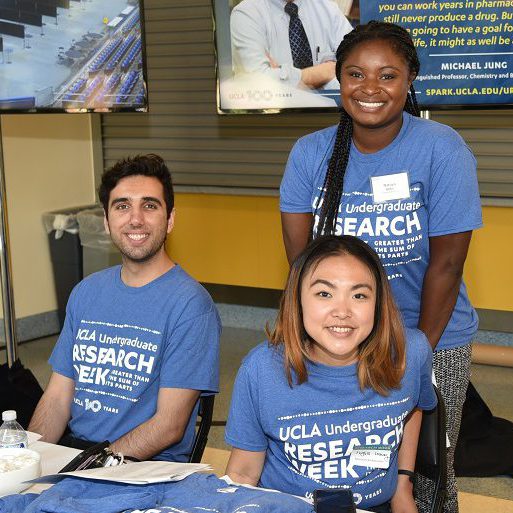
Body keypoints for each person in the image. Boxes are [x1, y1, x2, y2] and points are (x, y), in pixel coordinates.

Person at [279, 22, 482, 513]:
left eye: (387, 75)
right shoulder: (310, 153)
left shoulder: (441, 147)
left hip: (431, 335)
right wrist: (328, 341)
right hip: (339, 341)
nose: (370, 89)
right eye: (355, 74)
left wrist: (417, 353)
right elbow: (302, 268)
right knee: (347, 467)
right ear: (340, 80)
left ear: (409, 79)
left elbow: (448, 264)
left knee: (427, 473)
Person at [29, 154, 221, 462]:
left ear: (170, 219)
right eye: (122, 206)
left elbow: (168, 426)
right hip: (79, 453)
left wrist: (90, 466)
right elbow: (57, 397)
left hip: (144, 465)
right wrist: (30, 458)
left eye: (149, 205)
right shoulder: (86, 292)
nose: (135, 219)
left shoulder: (190, 305)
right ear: (106, 222)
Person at [225, 235, 437, 513]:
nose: (342, 312)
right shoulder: (261, 370)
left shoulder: (411, 352)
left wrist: (402, 485)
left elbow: (412, 409)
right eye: (324, 293)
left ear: (378, 304)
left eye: (359, 295)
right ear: (298, 299)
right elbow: (242, 474)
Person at [230, 0, 353, 90]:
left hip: (329, 115)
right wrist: (322, 73)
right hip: (274, 119)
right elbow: (258, 81)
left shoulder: (329, 10)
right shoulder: (246, 14)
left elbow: (358, 68)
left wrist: (281, 76)